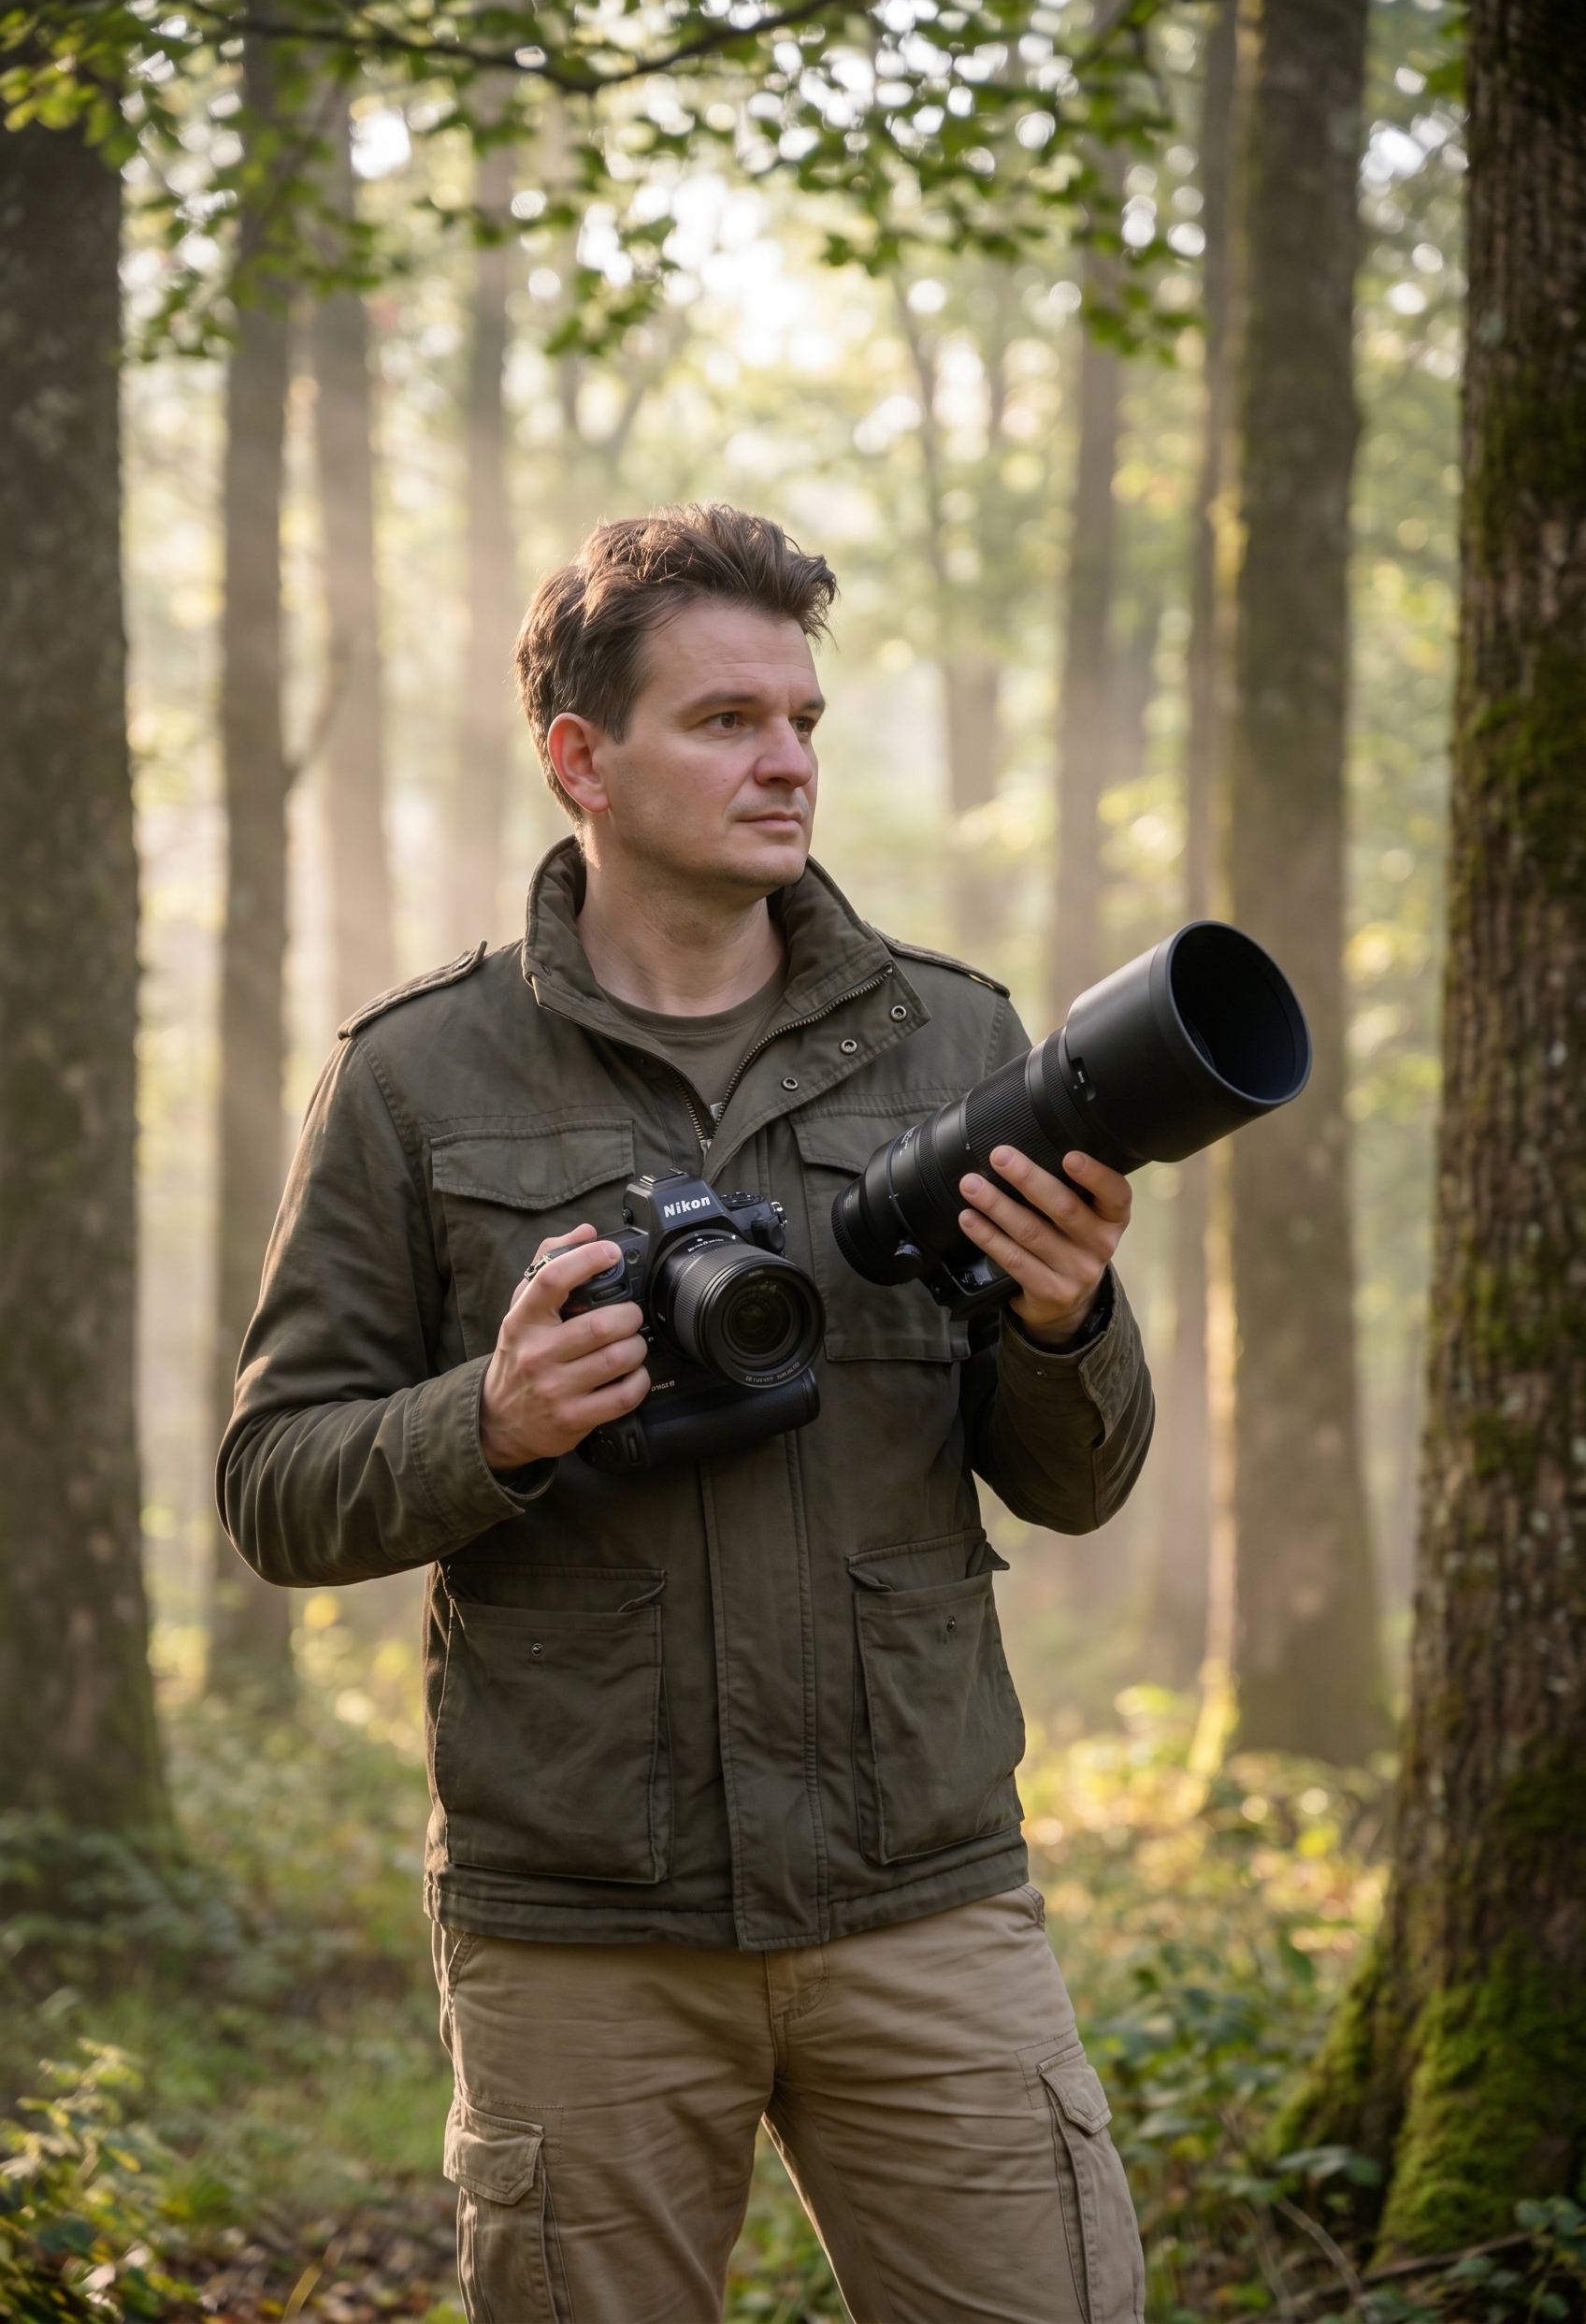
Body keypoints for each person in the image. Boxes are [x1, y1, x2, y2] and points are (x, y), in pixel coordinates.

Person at [221, 503, 1154, 2324]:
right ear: (580, 754)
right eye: (726, 719)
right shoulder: (415, 1074)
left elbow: (1081, 1484)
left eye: (800, 715)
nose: (787, 759)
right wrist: (485, 1424)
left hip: (922, 1899)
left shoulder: (954, 1046)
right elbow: (273, 1484)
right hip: (577, 1928)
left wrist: (1064, 1316)